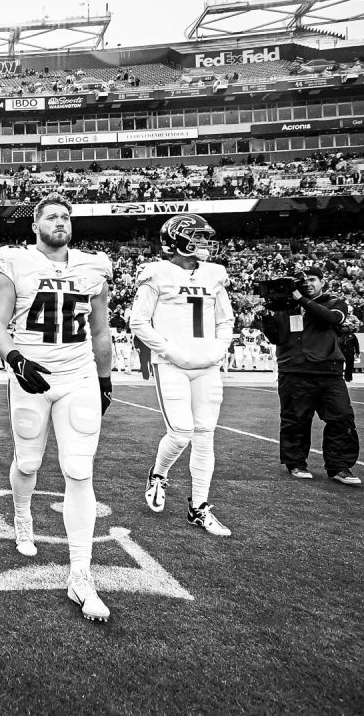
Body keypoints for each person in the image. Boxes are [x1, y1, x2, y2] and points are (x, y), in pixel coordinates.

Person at [0, 192, 115, 622]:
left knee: (80, 470)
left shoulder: (94, 267)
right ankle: (22, 516)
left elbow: (100, 332)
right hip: (30, 376)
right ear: (35, 225)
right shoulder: (14, 261)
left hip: (77, 376)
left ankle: (81, 575)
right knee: (28, 462)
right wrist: (15, 359)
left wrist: (104, 377)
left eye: (65, 217)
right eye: (51, 216)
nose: (60, 222)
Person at [128, 214, 235, 537]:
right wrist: (170, 351)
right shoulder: (156, 273)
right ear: (177, 240)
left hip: (207, 366)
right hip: (173, 364)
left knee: (205, 434)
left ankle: (198, 507)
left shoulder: (215, 274)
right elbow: (138, 321)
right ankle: (158, 474)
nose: (204, 243)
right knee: (181, 432)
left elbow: (225, 320)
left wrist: (219, 350)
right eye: (198, 237)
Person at [256, 266, 361, 486]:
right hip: (294, 370)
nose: (308, 284)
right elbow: (277, 338)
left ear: (322, 281)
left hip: (328, 371)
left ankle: (340, 466)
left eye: (312, 279)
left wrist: (301, 299)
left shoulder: (334, 302)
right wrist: (266, 318)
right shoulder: (285, 306)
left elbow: (330, 319)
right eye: (304, 281)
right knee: (295, 420)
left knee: (342, 417)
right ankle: (295, 463)